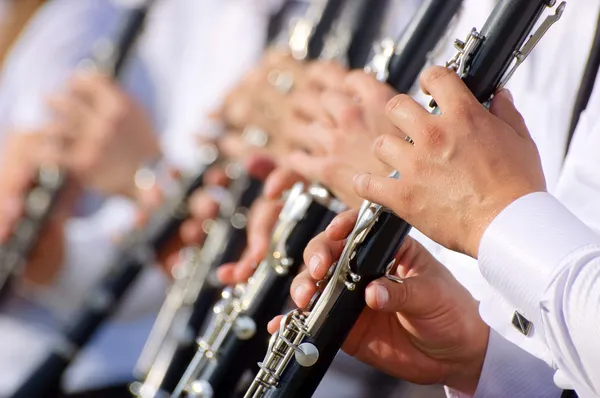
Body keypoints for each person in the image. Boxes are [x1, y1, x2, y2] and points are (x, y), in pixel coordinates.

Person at [0, 0, 280, 396]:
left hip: (119, 363)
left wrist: (143, 175)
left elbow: (211, 240)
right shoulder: (74, 16)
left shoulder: (235, 25)